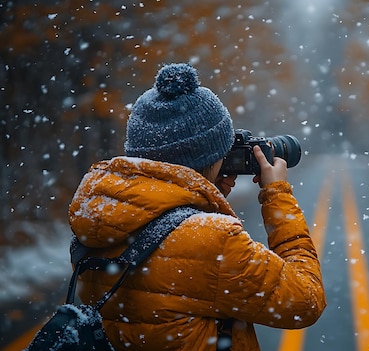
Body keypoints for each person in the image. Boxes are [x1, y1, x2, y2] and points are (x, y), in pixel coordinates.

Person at [68, 63, 326, 350]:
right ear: (211, 156)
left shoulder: (99, 217)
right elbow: (305, 299)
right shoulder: (214, 241)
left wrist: (202, 198)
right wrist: (276, 194)